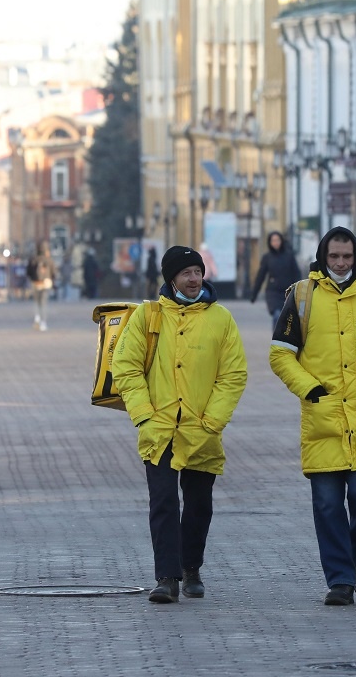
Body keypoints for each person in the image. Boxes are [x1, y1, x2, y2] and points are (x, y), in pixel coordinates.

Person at [269, 226, 356, 606]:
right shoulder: (301, 296)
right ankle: (341, 581)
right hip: (323, 419)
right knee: (329, 505)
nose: (341, 263)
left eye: (347, 257)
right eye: (334, 257)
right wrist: (310, 390)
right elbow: (280, 354)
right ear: (323, 256)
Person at [112, 245, 248, 604]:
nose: (193, 279)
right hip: (159, 427)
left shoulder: (221, 319)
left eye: (198, 272)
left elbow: (233, 375)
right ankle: (167, 578)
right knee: (163, 503)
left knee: (200, 505)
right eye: (186, 273)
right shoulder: (149, 316)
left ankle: (191, 567)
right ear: (171, 277)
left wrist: (213, 420)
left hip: (202, 428)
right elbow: (125, 366)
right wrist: (143, 414)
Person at [249, 230, 301, 330]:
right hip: (273, 293)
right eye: (273, 240)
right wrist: (254, 294)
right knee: (277, 315)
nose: (275, 242)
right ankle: (276, 339)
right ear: (270, 242)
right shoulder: (267, 258)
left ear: (281, 241)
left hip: (288, 292)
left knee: (287, 318)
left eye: (277, 240)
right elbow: (261, 276)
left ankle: (285, 339)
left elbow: (296, 274)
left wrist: (299, 290)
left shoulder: (289, 256)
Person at [26, 241, 56, 331]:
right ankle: (43, 322)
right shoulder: (49, 259)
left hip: (35, 282)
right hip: (46, 282)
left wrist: (33, 279)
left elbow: (28, 271)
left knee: (36, 301)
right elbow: (54, 272)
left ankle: (37, 317)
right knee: (43, 302)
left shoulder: (34, 258)